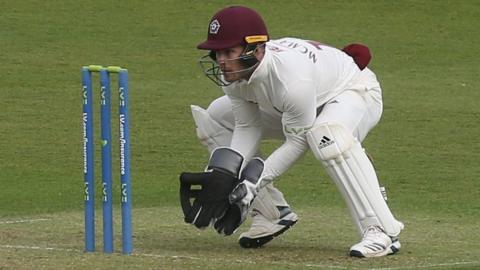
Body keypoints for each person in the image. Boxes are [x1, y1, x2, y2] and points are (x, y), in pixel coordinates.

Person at [186, 5, 404, 258]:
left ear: (256, 49)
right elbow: (247, 126)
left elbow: (298, 141)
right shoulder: (234, 75)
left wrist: (253, 182)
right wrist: (226, 175)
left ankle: (381, 231)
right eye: (217, 53)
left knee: (326, 136)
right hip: (291, 103)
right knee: (216, 117)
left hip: (352, 91)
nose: (221, 61)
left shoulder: (291, 80)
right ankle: (271, 213)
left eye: (228, 52)